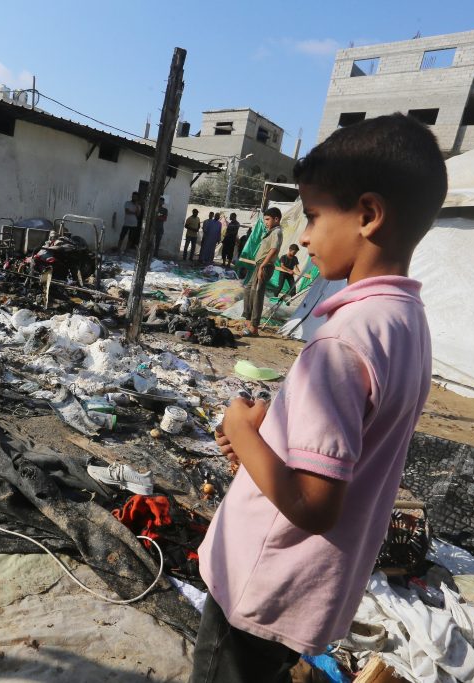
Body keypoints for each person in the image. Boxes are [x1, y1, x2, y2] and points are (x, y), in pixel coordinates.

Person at [190, 113, 447, 683]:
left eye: (311, 216)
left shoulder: (339, 344)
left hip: (262, 586)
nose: (303, 236)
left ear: (368, 214)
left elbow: (313, 505)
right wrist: (265, 446)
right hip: (310, 589)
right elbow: (342, 459)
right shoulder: (405, 324)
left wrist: (241, 430)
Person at [242, 207, 284, 334]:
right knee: (248, 289)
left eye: (267, 219)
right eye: (265, 219)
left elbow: (274, 250)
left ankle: (254, 326)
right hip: (259, 265)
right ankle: (248, 319)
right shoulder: (271, 231)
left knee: (257, 294)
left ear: (276, 219)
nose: (265, 222)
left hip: (265, 266)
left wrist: (262, 266)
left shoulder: (277, 232)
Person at [117, 191, 142, 256]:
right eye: (133, 196)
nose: (134, 197)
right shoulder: (127, 203)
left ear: (137, 198)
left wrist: (136, 207)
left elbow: (138, 215)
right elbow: (127, 212)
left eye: (135, 197)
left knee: (130, 239)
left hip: (134, 224)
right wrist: (134, 213)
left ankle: (126, 251)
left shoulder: (138, 206)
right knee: (121, 236)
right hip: (126, 223)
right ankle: (118, 249)